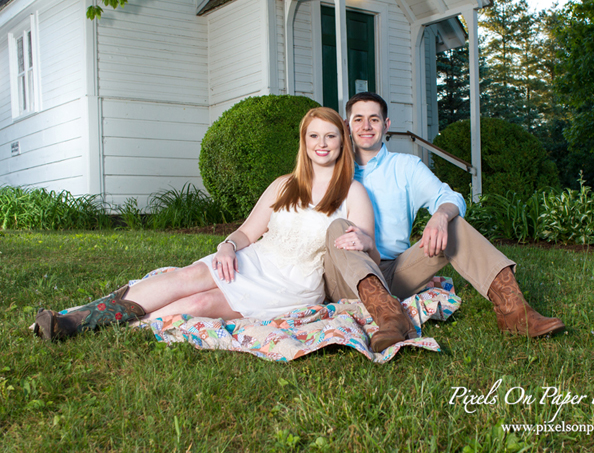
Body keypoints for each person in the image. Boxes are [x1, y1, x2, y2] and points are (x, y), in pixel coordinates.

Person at [34, 107, 415, 352]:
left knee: (198, 305)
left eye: (330, 136)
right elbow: (247, 231)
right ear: (304, 142)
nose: (322, 143)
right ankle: (75, 321)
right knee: (187, 277)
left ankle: (125, 330)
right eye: (313, 136)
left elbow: (367, 257)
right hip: (254, 259)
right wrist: (228, 247)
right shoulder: (284, 184)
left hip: (292, 282)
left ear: (342, 141)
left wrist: (365, 238)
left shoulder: (353, 192)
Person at [324, 92, 565, 338]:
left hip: (394, 273)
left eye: (374, 119)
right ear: (347, 125)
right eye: (358, 119)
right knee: (338, 227)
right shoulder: (330, 169)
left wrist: (440, 216)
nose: (366, 126)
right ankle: (390, 318)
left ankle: (514, 311)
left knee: (453, 224)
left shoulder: (406, 167)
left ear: (386, 125)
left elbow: (451, 198)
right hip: (346, 275)